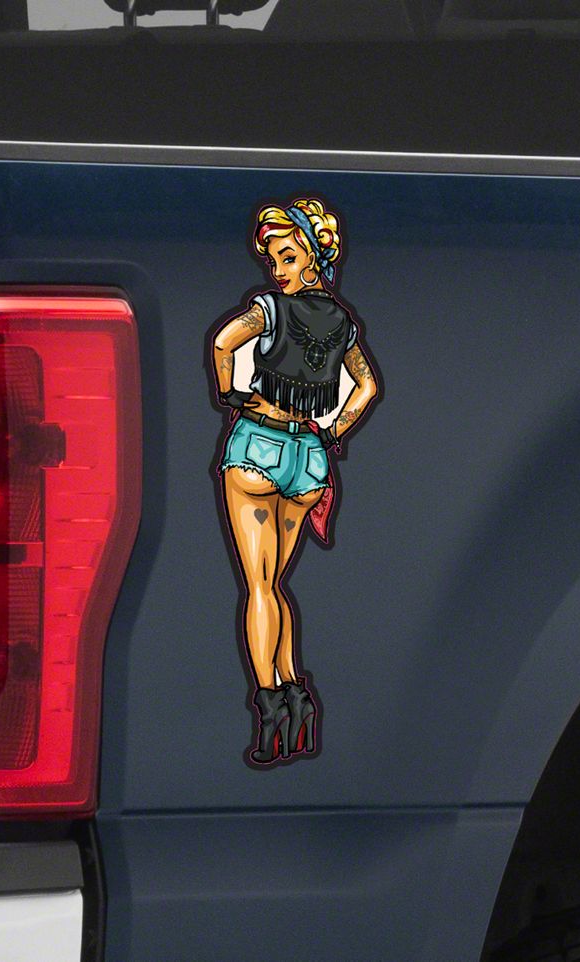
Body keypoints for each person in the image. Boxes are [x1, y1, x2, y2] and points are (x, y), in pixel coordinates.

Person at [210, 197, 379, 765]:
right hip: (308, 459)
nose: (278, 269)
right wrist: (334, 430)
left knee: (258, 589)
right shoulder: (344, 325)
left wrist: (231, 393)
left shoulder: (270, 310)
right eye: (273, 260)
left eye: (287, 256)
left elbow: (223, 342)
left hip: (258, 448)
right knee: (276, 586)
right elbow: (366, 386)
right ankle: (297, 696)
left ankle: (270, 711)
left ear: (310, 255)